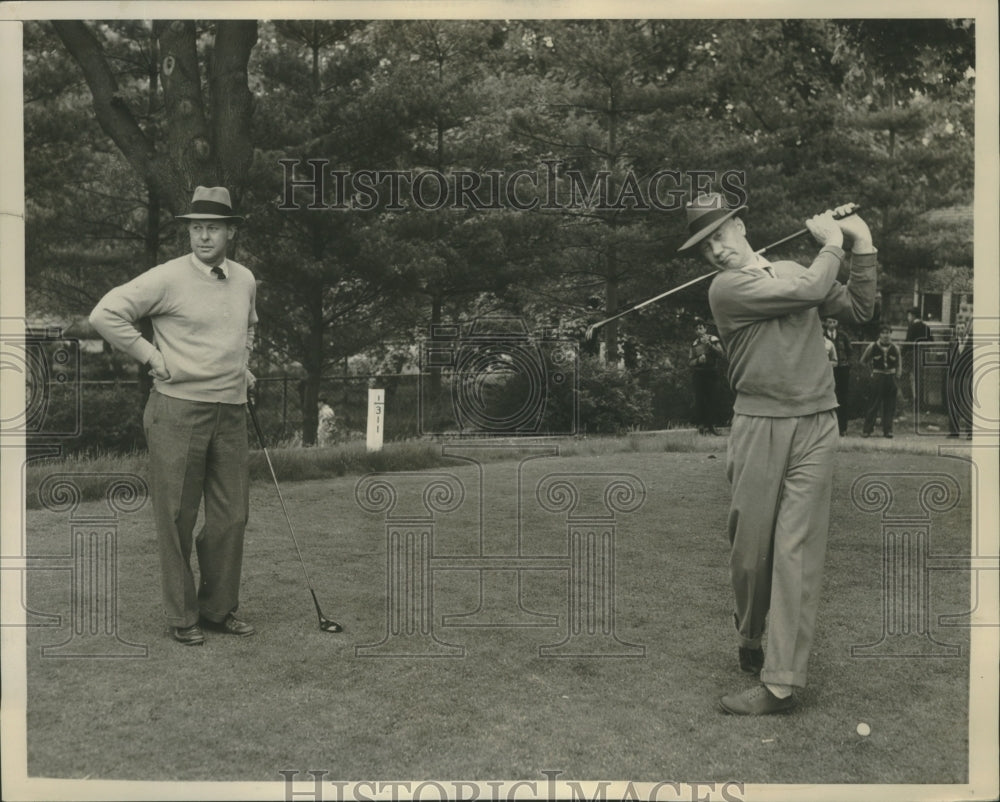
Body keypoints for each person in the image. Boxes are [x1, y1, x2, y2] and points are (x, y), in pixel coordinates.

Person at [679, 192, 876, 715]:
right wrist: (833, 242)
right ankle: (750, 634)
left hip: (817, 422)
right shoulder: (726, 289)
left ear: (740, 225)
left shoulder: (790, 267)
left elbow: (859, 308)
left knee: (795, 549)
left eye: (721, 234)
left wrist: (864, 245)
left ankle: (780, 683)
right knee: (751, 553)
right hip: (759, 426)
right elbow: (812, 286)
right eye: (706, 247)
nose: (717, 250)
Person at [89, 186, 258, 646]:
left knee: (232, 516)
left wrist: (245, 367)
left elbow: (246, 329)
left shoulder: (244, 278)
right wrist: (150, 355)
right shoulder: (166, 277)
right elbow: (105, 314)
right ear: (189, 231)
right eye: (196, 228)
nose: (203, 236)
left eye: (213, 228)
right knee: (177, 516)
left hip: (232, 411)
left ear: (230, 232)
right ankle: (184, 616)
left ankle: (218, 610)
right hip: (177, 412)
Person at [859, 325, 902, 438]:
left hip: (891, 378)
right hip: (878, 377)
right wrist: (871, 372)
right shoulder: (872, 346)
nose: (885, 335)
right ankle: (867, 430)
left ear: (890, 334)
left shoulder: (895, 348)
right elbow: (863, 361)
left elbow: (899, 364)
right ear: (879, 334)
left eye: (888, 332)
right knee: (873, 404)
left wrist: (897, 376)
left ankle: (888, 430)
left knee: (890, 405)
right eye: (883, 333)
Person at [688, 319, 726, 435]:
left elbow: (721, 354)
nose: (699, 331)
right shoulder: (694, 344)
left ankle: (711, 426)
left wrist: (709, 345)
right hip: (699, 373)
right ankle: (701, 426)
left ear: (705, 328)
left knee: (712, 398)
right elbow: (690, 362)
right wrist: (698, 360)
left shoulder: (713, 339)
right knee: (699, 400)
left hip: (711, 372)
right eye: (696, 329)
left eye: (701, 328)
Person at [824, 317, 854, 435]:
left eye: (834, 322)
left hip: (842, 369)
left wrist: (848, 365)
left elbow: (850, 352)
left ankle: (842, 428)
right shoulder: (822, 336)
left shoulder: (843, 336)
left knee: (842, 397)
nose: (832, 324)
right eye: (829, 322)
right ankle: (829, 429)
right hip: (828, 370)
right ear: (826, 323)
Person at [946, 319, 973, 439]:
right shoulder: (953, 342)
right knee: (954, 403)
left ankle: (970, 432)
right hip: (955, 377)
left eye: (962, 328)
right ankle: (954, 431)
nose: (960, 330)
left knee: (967, 404)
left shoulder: (971, 343)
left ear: (966, 329)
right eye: (958, 328)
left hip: (967, 376)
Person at [903, 307, 933, 410]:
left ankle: (914, 400)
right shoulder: (926, 327)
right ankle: (922, 400)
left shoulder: (912, 327)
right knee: (922, 378)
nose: (908, 317)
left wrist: (902, 353)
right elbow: (931, 341)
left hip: (913, 354)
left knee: (911, 376)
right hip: (924, 355)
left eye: (909, 315)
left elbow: (908, 342)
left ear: (913, 315)